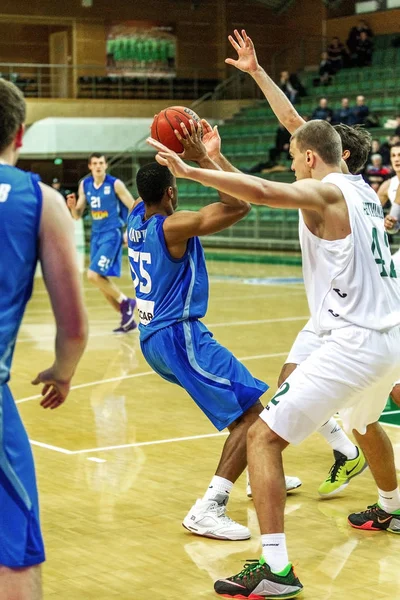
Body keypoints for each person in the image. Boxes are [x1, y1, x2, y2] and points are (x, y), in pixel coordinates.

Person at [151, 114, 400, 598]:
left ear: (311, 157)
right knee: (365, 425)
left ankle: (275, 568)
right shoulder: (365, 191)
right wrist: (213, 154)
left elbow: (261, 193)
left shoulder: (326, 193)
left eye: (292, 156)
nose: (288, 164)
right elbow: (281, 148)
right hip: (390, 338)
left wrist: (192, 171)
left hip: (353, 341)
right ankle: (392, 506)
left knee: (263, 437)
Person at [129, 121, 303, 542]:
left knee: (245, 414)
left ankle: (252, 470)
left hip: (153, 338)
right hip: (180, 336)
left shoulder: (136, 218)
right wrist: (201, 159)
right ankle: (209, 506)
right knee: (252, 417)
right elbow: (240, 206)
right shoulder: (174, 226)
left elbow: (153, 188)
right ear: (172, 192)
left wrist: (173, 160)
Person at [224, 28, 373, 498]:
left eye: (299, 149)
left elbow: (269, 186)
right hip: (327, 314)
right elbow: (292, 119)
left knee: (374, 404)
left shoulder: (336, 190)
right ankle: (351, 458)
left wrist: (194, 168)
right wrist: (257, 71)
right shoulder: (343, 183)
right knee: (291, 385)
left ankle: (361, 470)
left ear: (331, 154)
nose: (293, 152)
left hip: (356, 319)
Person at [0, 78, 88, 599]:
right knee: (14, 556)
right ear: (21, 133)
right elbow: (73, 326)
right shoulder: (40, 199)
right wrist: (61, 371)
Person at [67, 154, 137, 333]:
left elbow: (134, 206)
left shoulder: (115, 184)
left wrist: (130, 230)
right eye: (95, 163)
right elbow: (77, 216)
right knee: (100, 281)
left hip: (112, 233)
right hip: (96, 236)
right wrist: (72, 208)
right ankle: (127, 320)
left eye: (101, 163)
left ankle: (126, 302)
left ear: (105, 165)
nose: (98, 166)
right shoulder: (86, 185)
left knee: (92, 275)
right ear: (90, 166)